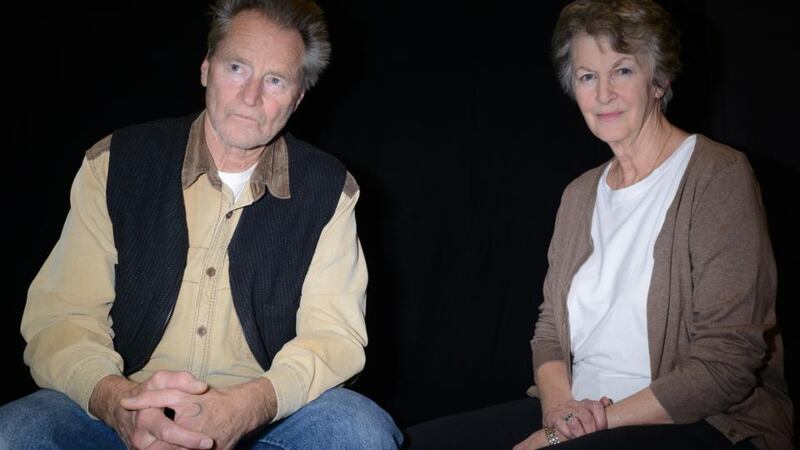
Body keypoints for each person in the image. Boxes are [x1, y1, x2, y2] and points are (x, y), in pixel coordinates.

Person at [0, 0, 402, 449]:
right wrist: (120, 403)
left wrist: (248, 407)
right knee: (14, 432)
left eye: (275, 80)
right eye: (237, 68)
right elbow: (63, 317)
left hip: (261, 417)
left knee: (360, 431)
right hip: (123, 403)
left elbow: (333, 337)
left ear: (298, 97)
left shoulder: (330, 190)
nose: (251, 96)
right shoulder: (115, 163)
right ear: (206, 69)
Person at [404, 0, 793, 449]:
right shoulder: (579, 194)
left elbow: (727, 364)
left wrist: (570, 433)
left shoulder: (718, 176)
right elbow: (550, 329)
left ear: (659, 81)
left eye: (622, 71)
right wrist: (558, 411)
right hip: (580, 412)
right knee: (411, 443)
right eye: (588, 76)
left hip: (700, 419)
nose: (603, 94)